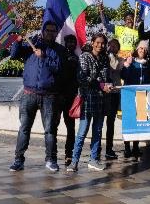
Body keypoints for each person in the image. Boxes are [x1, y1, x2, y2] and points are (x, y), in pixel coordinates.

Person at [8, 21, 67, 172]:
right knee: (24, 128)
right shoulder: (32, 44)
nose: (51, 33)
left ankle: (51, 159)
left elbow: (59, 68)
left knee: (50, 130)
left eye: (54, 31)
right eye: (48, 30)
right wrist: (18, 41)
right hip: (29, 95)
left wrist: (45, 56)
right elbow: (14, 55)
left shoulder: (59, 50)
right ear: (43, 31)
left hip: (49, 96)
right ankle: (18, 159)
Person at [68, 33, 114, 172]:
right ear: (92, 42)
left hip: (101, 100)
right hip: (87, 99)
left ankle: (93, 160)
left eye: (102, 43)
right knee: (82, 132)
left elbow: (106, 77)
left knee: (98, 132)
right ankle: (74, 161)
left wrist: (108, 84)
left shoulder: (105, 58)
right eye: (97, 42)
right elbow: (82, 78)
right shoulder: (84, 57)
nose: (100, 45)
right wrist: (100, 84)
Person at [120, 40, 150, 161]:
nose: (142, 50)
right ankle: (127, 147)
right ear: (137, 50)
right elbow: (123, 76)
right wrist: (127, 65)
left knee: (139, 122)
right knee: (128, 122)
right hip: (129, 96)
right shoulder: (131, 62)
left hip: (142, 96)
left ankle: (135, 147)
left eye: (144, 49)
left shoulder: (148, 64)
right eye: (140, 48)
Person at [60, 34, 80, 167]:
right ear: (65, 43)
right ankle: (52, 153)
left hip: (71, 96)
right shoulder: (60, 55)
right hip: (58, 95)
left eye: (73, 42)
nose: (71, 44)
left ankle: (68, 153)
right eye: (69, 41)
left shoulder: (78, 58)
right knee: (53, 125)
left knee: (71, 128)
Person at [103, 39, 124, 160]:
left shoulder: (119, 58)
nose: (112, 47)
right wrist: (110, 54)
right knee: (102, 121)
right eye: (110, 45)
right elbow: (114, 65)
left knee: (111, 122)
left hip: (116, 92)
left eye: (115, 46)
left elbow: (118, 67)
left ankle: (109, 149)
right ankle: (101, 148)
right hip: (106, 92)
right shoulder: (105, 57)